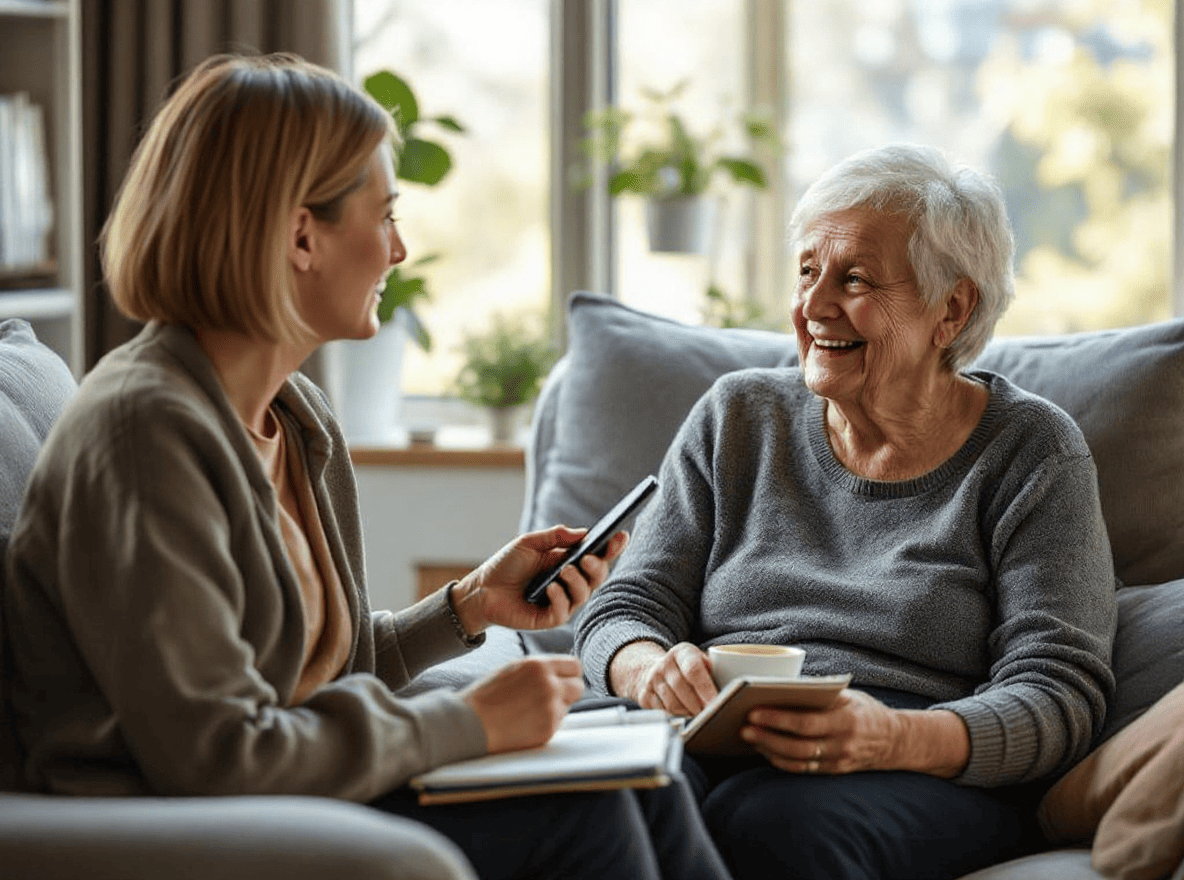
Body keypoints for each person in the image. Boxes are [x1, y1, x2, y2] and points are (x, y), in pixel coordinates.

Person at [2, 53, 732, 880]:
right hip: (179, 820)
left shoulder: (295, 419)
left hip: (289, 783)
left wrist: (467, 606)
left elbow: (322, 673)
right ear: (300, 236)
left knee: (648, 781)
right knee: (588, 819)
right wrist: (467, 724)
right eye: (384, 216)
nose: (400, 249)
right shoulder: (143, 437)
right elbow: (211, 752)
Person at [574, 143, 1118, 880]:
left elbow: (1060, 695)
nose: (814, 305)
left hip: (912, 759)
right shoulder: (738, 417)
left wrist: (893, 736)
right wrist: (646, 670)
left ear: (950, 309)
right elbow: (624, 606)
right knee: (603, 795)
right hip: (711, 733)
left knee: (772, 826)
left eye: (855, 278)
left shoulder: (1032, 451)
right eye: (807, 272)